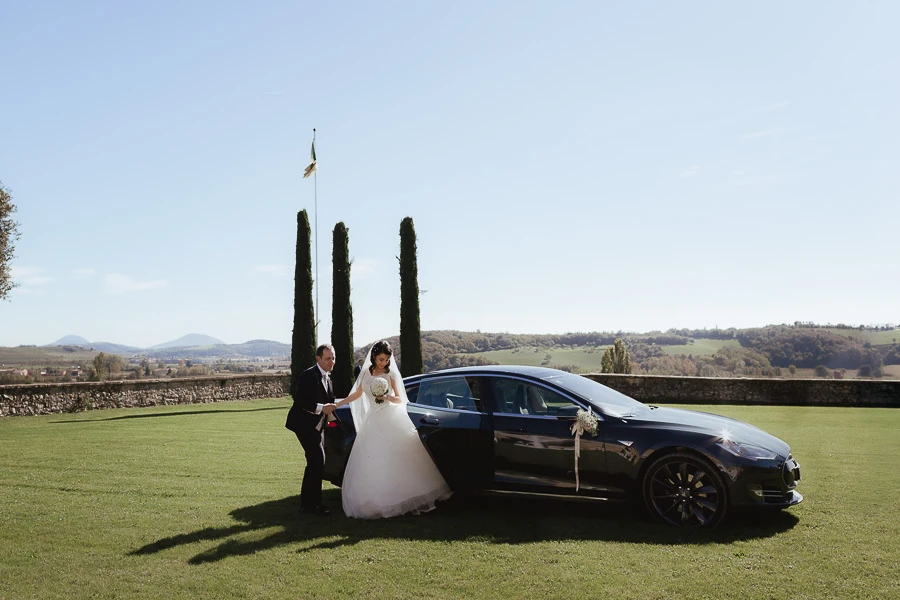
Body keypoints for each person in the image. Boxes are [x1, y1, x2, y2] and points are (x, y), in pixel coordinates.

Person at [334, 340, 452, 519]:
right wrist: (339, 403)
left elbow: (400, 399)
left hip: (390, 417)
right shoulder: (366, 373)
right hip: (372, 421)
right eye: (381, 359)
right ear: (374, 356)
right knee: (372, 461)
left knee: (396, 458)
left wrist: (386, 396)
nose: (384, 363)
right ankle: (374, 501)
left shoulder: (391, 375)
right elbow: (358, 394)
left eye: (387, 360)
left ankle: (402, 499)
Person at [285, 344, 337, 516]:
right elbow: (300, 400)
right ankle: (312, 505)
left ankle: (308, 504)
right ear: (318, 359)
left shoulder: (328, 378)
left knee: (315, 462)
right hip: (303, 424)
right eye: (328, 358)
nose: (332, 362)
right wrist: (322, 408)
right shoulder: (309, 375)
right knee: (317, 460)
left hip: (317, 426)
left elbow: (330, 403)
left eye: (333, 358)